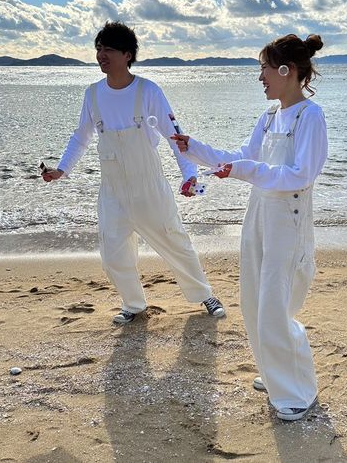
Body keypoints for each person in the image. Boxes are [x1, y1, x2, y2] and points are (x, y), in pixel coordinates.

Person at [172, 33, 328, 421]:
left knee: (276, 305)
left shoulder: (311, 117)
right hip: (258, 214)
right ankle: (276, 373)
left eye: (264, 68)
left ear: (286, 71)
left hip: (288, 219)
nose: (260, 77)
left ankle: (297, 391)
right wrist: (194, 148)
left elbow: (301, 175)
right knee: (254, 300)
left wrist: (245, 170)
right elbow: (241, 157)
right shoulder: (270, 117)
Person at [41, 21, 225, 324]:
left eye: (108, 49)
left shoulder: (148, 91)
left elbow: (175, 137)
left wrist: (189, 175)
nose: (101, 55)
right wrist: (62, 170)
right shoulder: (93, 94)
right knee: (113, 254)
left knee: (175, 241)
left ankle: (204, 294)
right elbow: (81, 137)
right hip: (112, 191)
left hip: (149, 186)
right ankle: (134, 304)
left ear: (127, 55)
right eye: (99, 49)